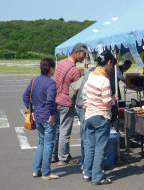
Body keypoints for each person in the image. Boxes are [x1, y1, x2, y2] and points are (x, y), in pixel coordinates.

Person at [82, 52, 117, 185]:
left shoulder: (91, 74)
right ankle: (97, 177)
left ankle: (87, 172)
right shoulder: (104, 80)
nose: (112, 68)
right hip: (101, 116)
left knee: (90, 145)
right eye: (112, 64)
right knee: (100, 147)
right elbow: (107, 101)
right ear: (108, 63)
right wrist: (114, 99)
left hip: (89, 114)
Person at [52, 43, 90, 166]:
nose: (84, 58)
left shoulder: (62, 63)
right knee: (65, 131)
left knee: (57, 129)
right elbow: (79, 90)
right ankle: (63, 157)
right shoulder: (75, 70)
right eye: (83, 55)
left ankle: (54, 155)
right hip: (67, 102)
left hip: (56, 99)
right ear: (76, 52)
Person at [23, 58, 59, 180]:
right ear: (51, 69)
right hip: (48, 117)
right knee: (48, 144)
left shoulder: (35, 80)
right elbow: (50, 101)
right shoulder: (51, 83)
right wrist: (52, 114)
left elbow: (25, 96)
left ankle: (36, 170)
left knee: (41, 143)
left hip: (38, 116)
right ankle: (46, 172)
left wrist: (31, 110)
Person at [75, 66, 95, 174]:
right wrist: (85, 103)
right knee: (88, 138)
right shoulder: (95, 73)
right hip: (83, 107)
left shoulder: (90, 71)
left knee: (84, 136)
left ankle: (84, 163)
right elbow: (85, 91)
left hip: (79, 105)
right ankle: (87, 167)